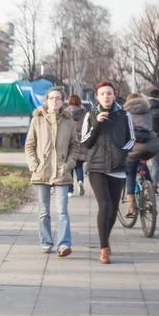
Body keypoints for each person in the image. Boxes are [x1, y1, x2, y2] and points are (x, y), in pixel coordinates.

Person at [81, 81, 135, 264]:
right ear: (97, 96)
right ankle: (104, 248)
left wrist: (121, 152)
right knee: (103, 204)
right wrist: (97, 123)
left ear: (114, 95)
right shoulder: (90, 115)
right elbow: (86, 142)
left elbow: (131, 139)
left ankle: (106, 236)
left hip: (117, 167)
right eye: (102, 93)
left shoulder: (124, 115)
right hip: (96, 167)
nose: (106, 96)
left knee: (113, 209)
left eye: (109, 93)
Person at [25, 86, 79, 257]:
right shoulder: (37, 120)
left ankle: (64, 244)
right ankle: (46, 242)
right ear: (46, 101)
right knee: (44, 211)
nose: (54, 101)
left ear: (63, 101)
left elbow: (75, 146)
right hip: (42, 171)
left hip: (61, 172)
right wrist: (35, 165)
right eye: (51, 98)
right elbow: (29, 145)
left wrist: (68, 165)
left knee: (62, 211)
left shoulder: (69, 121)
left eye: (58, 98)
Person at [123, 94, 159, 218]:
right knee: (142, 162)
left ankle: (130, 207)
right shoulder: (148, 112)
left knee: (130, 171)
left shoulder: (125, 113)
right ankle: (149, 192)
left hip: (134, 145)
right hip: (150, 146)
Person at [67, 94, 88, 197]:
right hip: (81, 143)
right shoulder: (84, 114)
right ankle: (80, 181)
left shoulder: (65, 113)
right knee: (79, 166)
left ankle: (70, 190)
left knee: (70, 167)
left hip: (69, 143)